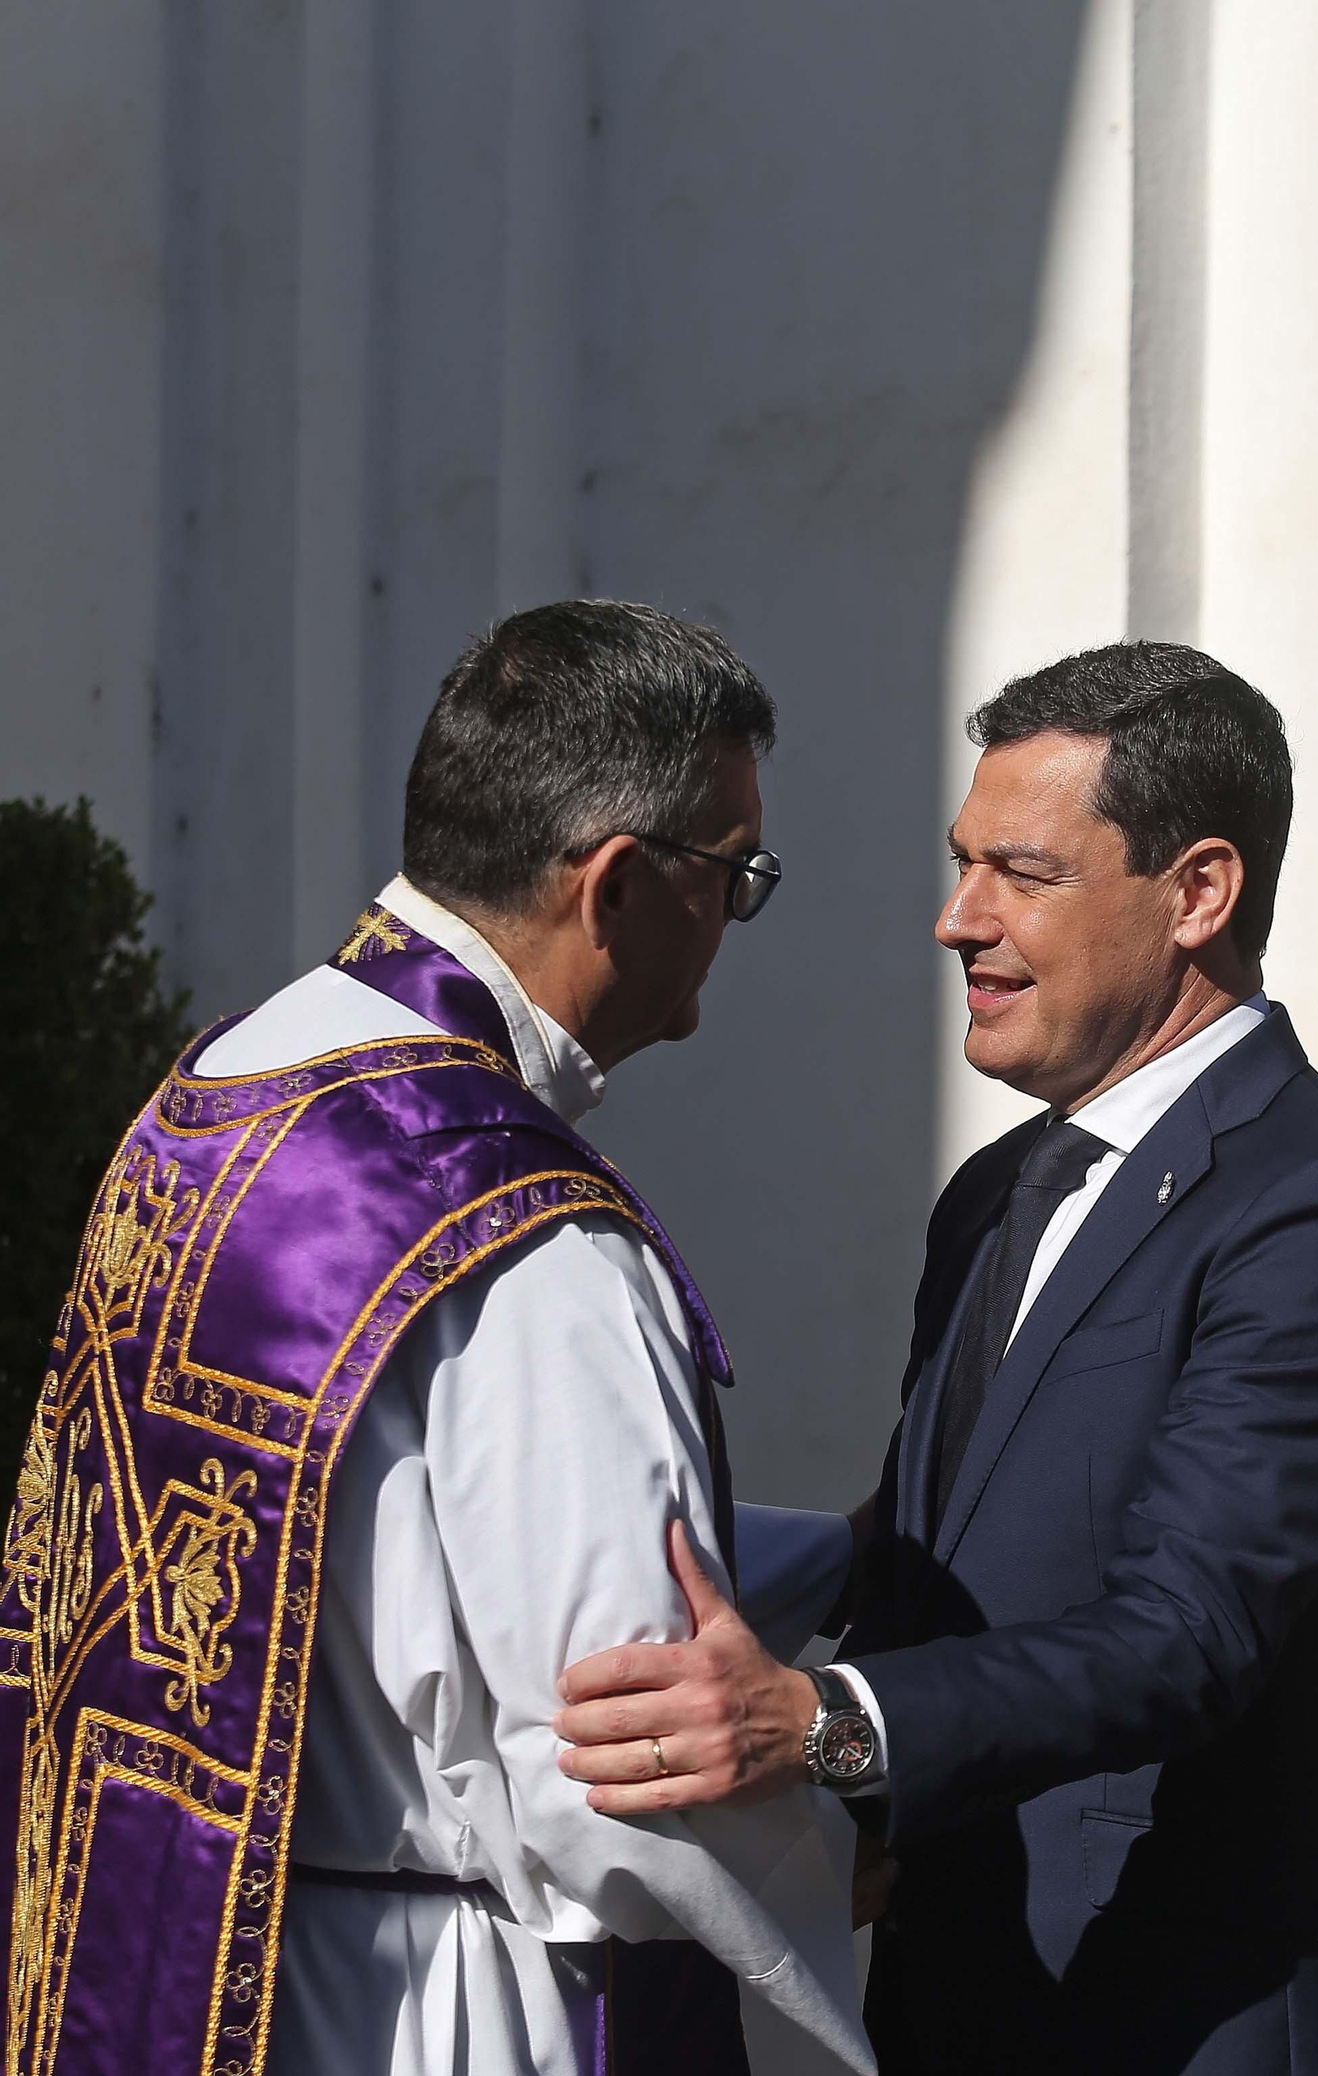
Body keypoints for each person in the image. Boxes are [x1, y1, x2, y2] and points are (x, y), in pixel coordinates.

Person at [554, 641, 1318, 2074]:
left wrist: (822, 1729)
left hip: (1195, 2024)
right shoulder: (1000, 1191)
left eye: (1020, 875)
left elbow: (1189, 1632)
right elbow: (944, 1545)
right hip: (965, 2000)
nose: (954, 920)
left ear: (1199, 894)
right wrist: (653, 1552)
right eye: (961, 864)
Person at [0, 602, 873, 2076]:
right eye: (734, 873)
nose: (734, 914)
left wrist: (850, 1555)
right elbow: (622, 1760)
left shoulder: (227, 1090)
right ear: (614, 886)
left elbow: (371, 1539)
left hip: (188, 1955)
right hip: (441, 2006)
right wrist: (870, 1824)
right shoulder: (532, 1239)